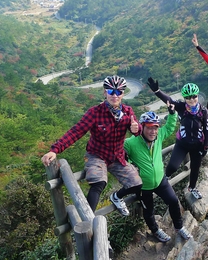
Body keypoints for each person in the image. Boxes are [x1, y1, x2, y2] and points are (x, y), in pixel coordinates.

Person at [41, 75, 143, 216]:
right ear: (104, 93)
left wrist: (136, 129)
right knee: (98, 183)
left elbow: (137, 130)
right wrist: (55, 150)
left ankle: (116, 197)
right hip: (97, 155)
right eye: (110, 91)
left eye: (118, 92)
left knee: (136, 183)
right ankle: (88, 220)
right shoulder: (95, 113)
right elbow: (76, 131)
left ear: (123, 94)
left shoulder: (127, 112)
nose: (115, 95)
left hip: (117, 156)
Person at [124, 107, 193, 242]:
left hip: (161, 180)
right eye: (149, 127)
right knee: (149, 211)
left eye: (155, 127)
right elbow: (120, 156)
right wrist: (131, 164)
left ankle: (179, 227)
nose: (153, 131)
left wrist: (172, 113)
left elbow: (169, 127)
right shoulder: (131, 143)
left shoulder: (159, 135)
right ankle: (155, 231)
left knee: (173, 201)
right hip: (143, 186)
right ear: (142, 127)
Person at [147, 78, 208, 199]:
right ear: (185, 98)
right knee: (173, 166)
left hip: (198, 145)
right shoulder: (181, 107)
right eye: (188, 97)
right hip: (182, 143)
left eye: (194, 96)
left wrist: (205, 147)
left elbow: (207, 129)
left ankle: (192, 187)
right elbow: (169, 100)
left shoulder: (203, 111)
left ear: (197, 96)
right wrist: (157, 91)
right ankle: (164, 180)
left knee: (195, 168)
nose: (191, 100)